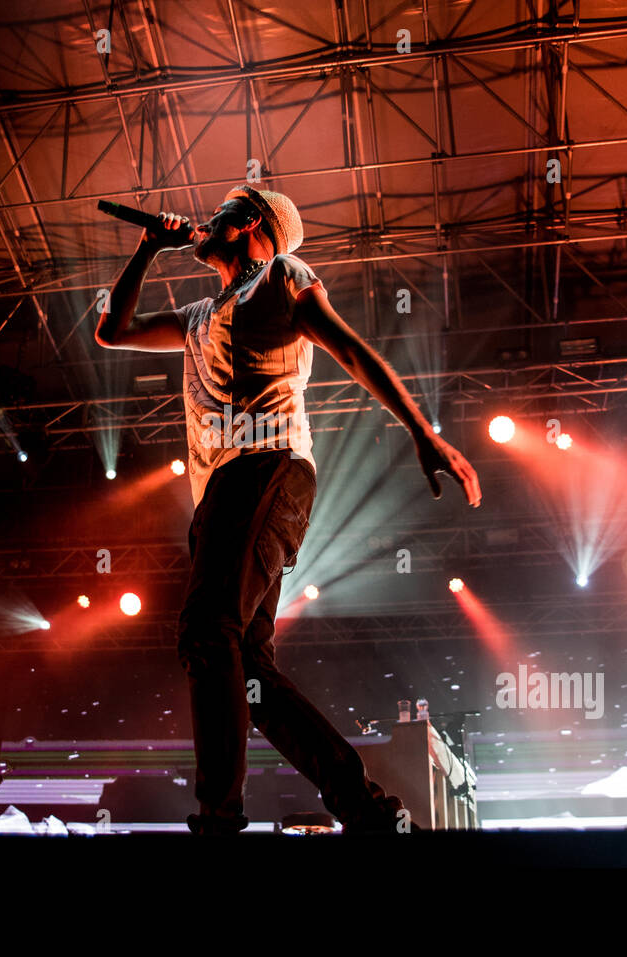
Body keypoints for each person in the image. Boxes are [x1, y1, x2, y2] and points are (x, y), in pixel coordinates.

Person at [96, 185, 481, 835]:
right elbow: (113, 331)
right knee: (249, 667)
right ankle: (366, 807)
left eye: (220, 210)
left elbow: (350, 348)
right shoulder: (199, 314)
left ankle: (219, 815)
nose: (206, 219)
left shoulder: (280, 275)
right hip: (226, 489)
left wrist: (422, 430)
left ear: (248, 223)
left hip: (266, 467)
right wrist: (146, 249)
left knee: (205, 629)